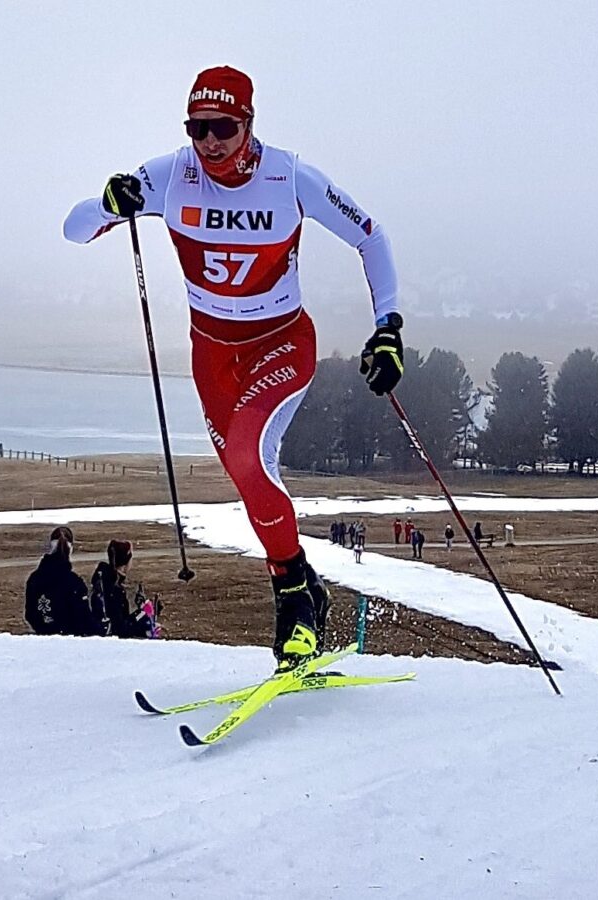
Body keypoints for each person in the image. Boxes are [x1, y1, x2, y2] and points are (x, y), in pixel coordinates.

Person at [65, 66, 397, 668]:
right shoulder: (170, 175)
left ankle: (295, 600)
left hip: (280, 341)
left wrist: (389, 327)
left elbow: (371, 238)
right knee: (250, 480)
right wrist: (109, 201)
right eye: (198, 128)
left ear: (248, 124)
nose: (210, 142)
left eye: (223, 127)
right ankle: (306, 589)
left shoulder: (289, 176)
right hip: (212, 356)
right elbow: (75, 228)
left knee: (248, 455)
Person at [25, 527, 102, 636]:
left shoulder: (34, 579)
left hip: (42, 639)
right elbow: (84, 618)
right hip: (69, 643)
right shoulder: (74, 583)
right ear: (71, 549)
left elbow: (30, 614)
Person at [89, 540, 157, 639]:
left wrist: (140, 613)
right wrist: (143, 615)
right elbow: (121, 629)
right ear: (126, 563)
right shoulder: (113, 590)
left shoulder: (104, 581)